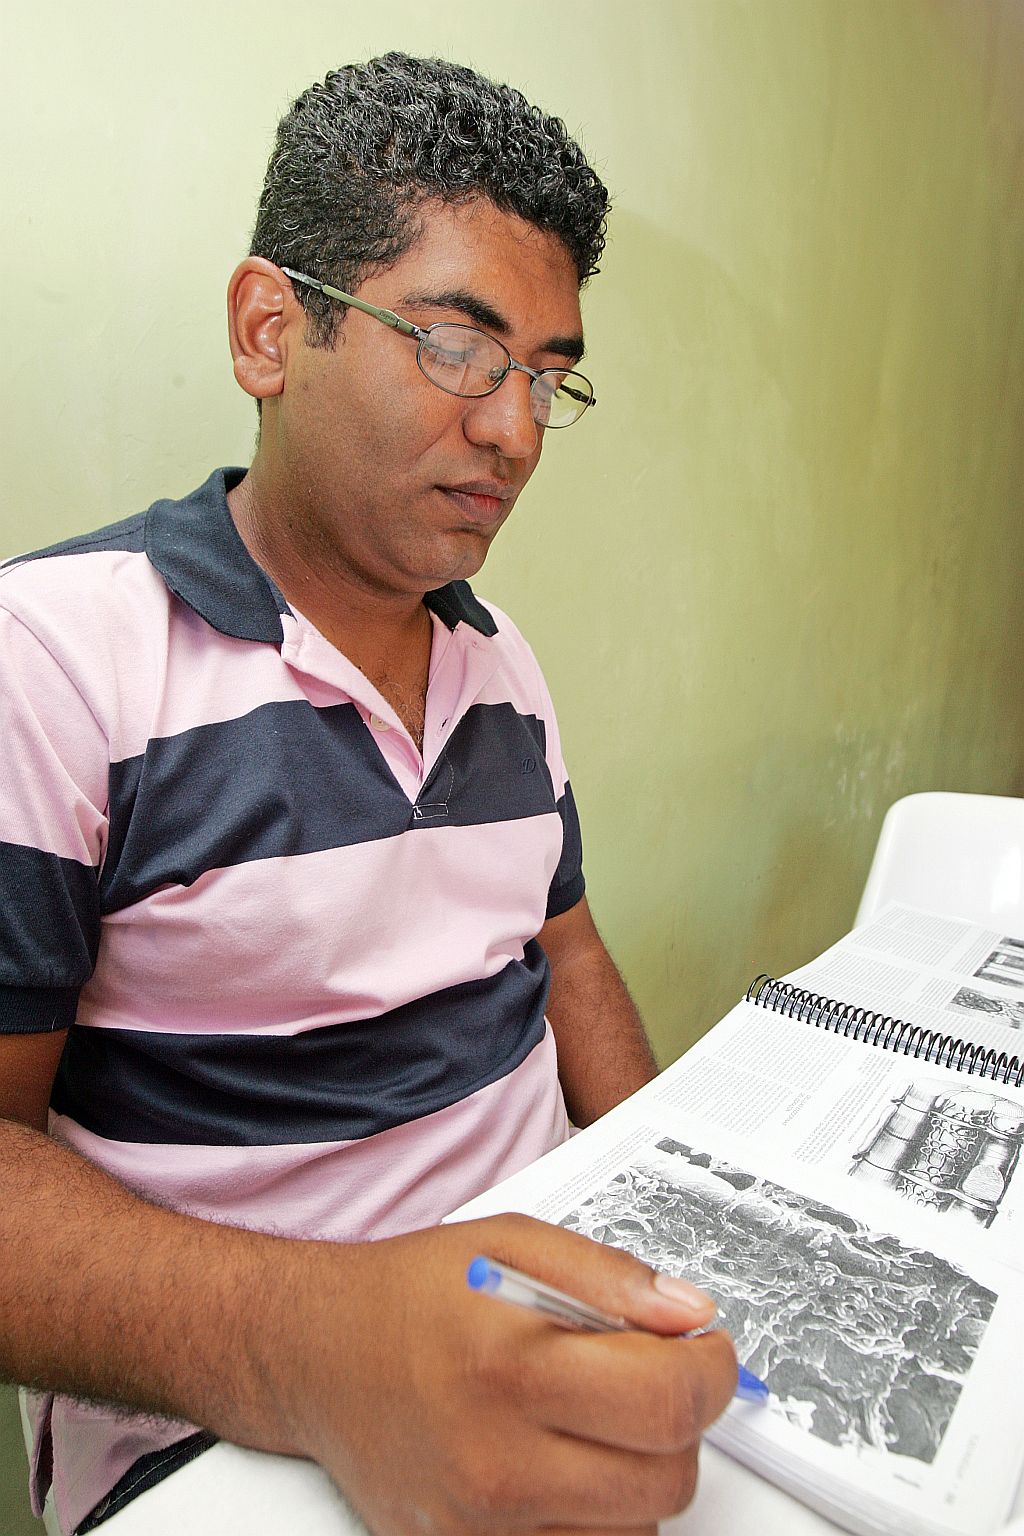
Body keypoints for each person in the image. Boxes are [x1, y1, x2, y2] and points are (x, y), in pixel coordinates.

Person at [0, 53, 736, 1536]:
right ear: (271, 331)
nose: (514, 432)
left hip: (550, 1327)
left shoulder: (503, 662)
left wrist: (671, 1213)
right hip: (226, 1432)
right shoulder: (56, 661)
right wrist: (325, 1348)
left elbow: (565, 952)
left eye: (547, 377)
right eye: (460, 348)